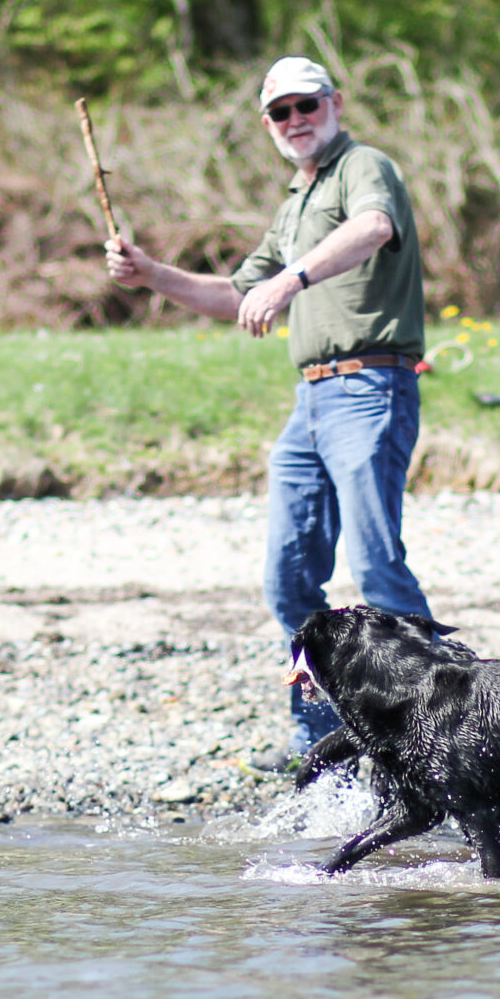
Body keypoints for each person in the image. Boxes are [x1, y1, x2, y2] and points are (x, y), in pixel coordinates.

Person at [106, 56, 434, 762]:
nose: (295, 121)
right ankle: (323, 735)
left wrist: (291, 280)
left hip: (370, 387)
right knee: (288, 578)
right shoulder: (294, 203)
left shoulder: (362, 167)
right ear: (268, 124)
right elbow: (233, 294)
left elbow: (374, 227)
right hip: (310, 401)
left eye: (306, 106)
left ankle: (438, 726)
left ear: (334, 103)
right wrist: (150, 273)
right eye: (281, 112)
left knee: (376, 569)